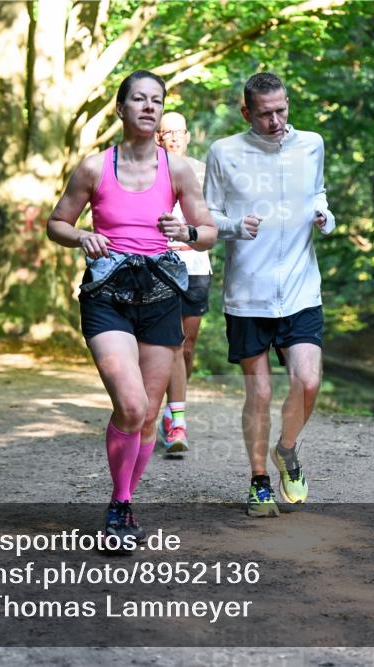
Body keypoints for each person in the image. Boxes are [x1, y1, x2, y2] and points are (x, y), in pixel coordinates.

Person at [47, 71, 216, 545]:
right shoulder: (93, 168)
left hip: (162, 292)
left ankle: (122, 503)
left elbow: (208, 231)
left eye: (156, 101)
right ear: (121, 108)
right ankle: (121, 504)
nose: (148, 107)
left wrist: (188, 233)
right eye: (138, 99)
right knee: (132, 403)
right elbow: (56, 223)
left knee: (147, 415)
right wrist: (83, 235)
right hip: (108, 295)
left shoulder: (177, 170)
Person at [203, 72, 335, 517]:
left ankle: (287, 449)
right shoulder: (224, 152)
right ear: (246, 113)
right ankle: (259, 481)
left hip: (301, 287)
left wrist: (324, 215)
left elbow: (317, 194)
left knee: (308, 381)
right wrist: (234, 227)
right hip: (248, 293)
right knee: (258, 392)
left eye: (282, 110)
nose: (277, 121)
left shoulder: (311, 144)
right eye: (265, 114)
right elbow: (208, 216)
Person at [154, 111, 210, 455]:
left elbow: (214, 219)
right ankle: (177, 421)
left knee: (186, 346)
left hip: (195, 263)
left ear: (189, 136)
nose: (174, 137)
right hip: (159, 263)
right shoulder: (149, 169)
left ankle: (170, 409)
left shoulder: (203, 171)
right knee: (169, 343)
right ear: (159, 137)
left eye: (180, 132)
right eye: (167, 132)